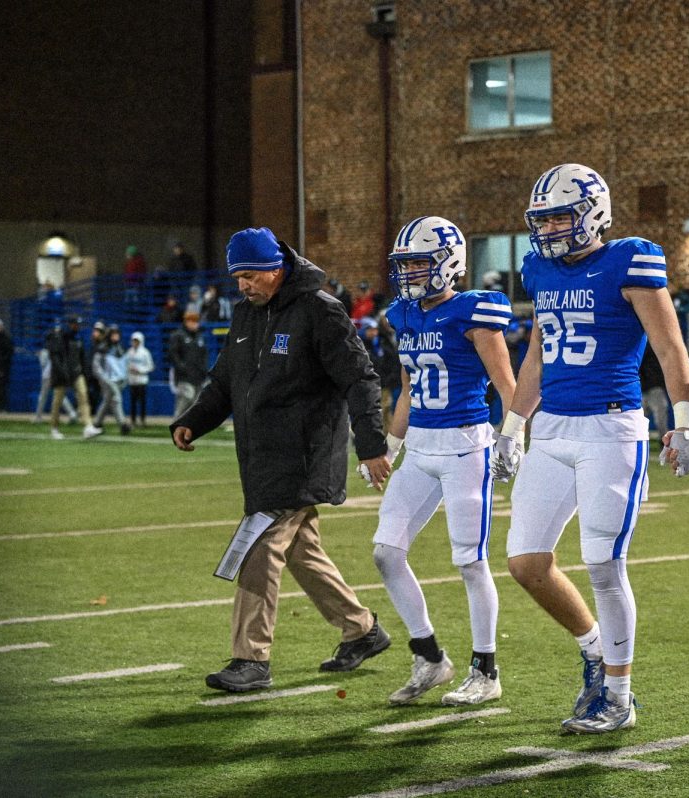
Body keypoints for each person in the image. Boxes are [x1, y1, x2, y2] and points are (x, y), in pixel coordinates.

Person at [491, 163, 689, 734]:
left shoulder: (629, 260)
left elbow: (669, 346)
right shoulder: (540, 269)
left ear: (593, 214)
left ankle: (619, 694)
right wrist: (513, 426)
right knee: (525, 562)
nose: (551, 230)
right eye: (544, 219)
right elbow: (537, 354)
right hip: (552, 430)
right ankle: (592, 648)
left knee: (605, 565)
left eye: (562, 216)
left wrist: (686, 419)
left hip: (610, 430)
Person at [171, 226, 393, 693]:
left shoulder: (320, 310)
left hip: (304, 456)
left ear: (277, 269)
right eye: (238, 278)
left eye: (251, 276)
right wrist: (193, 419)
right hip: (260, 456)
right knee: (302, 552)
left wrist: (371, 445)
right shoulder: (244, 315)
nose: (244, 286)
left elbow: (361, 379)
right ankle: (362, 629)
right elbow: (224, 383)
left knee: (257, 545)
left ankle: (251, 658)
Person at [373, 216, 517, 707]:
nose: (410, 273)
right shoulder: (404, 315)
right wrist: (390, 447)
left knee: (471, 562)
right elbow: (410, 387)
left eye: (419, 263)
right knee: (386, 553)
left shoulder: (473, 311)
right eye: (405, 264)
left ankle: (486, 669)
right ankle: (430, 656)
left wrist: (511, 436)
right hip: (420, 447)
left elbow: (507, 383)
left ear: (449, 263)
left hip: (463, 447)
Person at [45, 315, 101, 439]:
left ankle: (88, 426)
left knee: (83, 396)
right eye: (75, 324)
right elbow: (55, 356)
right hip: (62, 374)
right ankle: (54, 428)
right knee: (57, 401)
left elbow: (81, 357)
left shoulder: (78, 338)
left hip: (76, 373)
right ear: (70, 324)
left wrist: (85, 373)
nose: (77, 327)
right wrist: (61, 371)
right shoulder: (60, 337)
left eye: (78, 324)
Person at [168, 311, 208, 418]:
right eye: (192, 321)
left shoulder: (200, 337)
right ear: (186, 322)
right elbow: (173, 354)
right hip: (184, 377)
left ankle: (188, 431)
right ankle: (176, 425)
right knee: (186, 398)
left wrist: (204, 370)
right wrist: (181, 367)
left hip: (198, 376)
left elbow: (204, 355)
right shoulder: (178, 335)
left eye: (196, 321)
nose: (195, 324)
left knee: (195, 405)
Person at [92, 324, 131, 434]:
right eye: (113, 334)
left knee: (108, 401)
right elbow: (96, 366)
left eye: (117, 333)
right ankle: (123, 424)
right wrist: (104, 379)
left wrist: (125, 378)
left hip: (118, 380)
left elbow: (124, 364)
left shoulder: (120, 348)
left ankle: (97, 423)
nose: (116, 336)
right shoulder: (102, 348)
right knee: (116, 399)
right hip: (108, 380)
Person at [33, 334, 78, 424]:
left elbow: (43, 364)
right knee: (60, 396)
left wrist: (40, 355)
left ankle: (38, 417)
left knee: (44, 396)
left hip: (48, 375)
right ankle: (72, 414)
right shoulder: (59, 348)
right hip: (56, 375)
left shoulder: (46, 350)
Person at [639, 342, 669, 436]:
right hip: (640, 387)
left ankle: (664, 442)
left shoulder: (657, 344)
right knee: (639, 419)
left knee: (661, 418)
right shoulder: (639, 343)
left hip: (654, 386)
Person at [125, 331, 154, 427]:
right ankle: (133, 420)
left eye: (136, 341)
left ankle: (142, 420)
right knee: (133, 402)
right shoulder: (129, 352)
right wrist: (129, 369)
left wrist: (140, 370)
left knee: (142, 402)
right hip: (132, 381)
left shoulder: (145, 353)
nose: (135, 342)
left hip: (142, 381)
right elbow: (125, 364)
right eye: (134, 341)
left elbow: (151, 366)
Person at [0, 318, 12, 411]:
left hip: (2, 368)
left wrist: (2, 368)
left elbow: (8, 354)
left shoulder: (6, 339)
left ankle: (1, 407)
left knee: (1, 388)